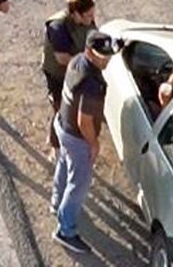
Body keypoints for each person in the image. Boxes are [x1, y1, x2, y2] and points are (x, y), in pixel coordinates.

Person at [52, 31, 118, 256]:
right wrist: (94, 143)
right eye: (102, 55)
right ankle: (66, 231)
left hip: (62, 124)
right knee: (78, 185)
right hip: (77, 137)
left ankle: (55, 202)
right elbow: (84, 121)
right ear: (89, 52)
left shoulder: (77, 62)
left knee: (63, 164)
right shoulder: (92, 84)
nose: (106, 59)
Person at [42, 0, 98, 151]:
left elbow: (93, 36)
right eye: (88, 15)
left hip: (77, 71)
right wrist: (88, 62)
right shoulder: (58, 26)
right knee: (61, 110)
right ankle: (55, 145)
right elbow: (62, 58)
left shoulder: (86, 20)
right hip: (58, 74)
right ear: (76, 14)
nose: (92, 19)